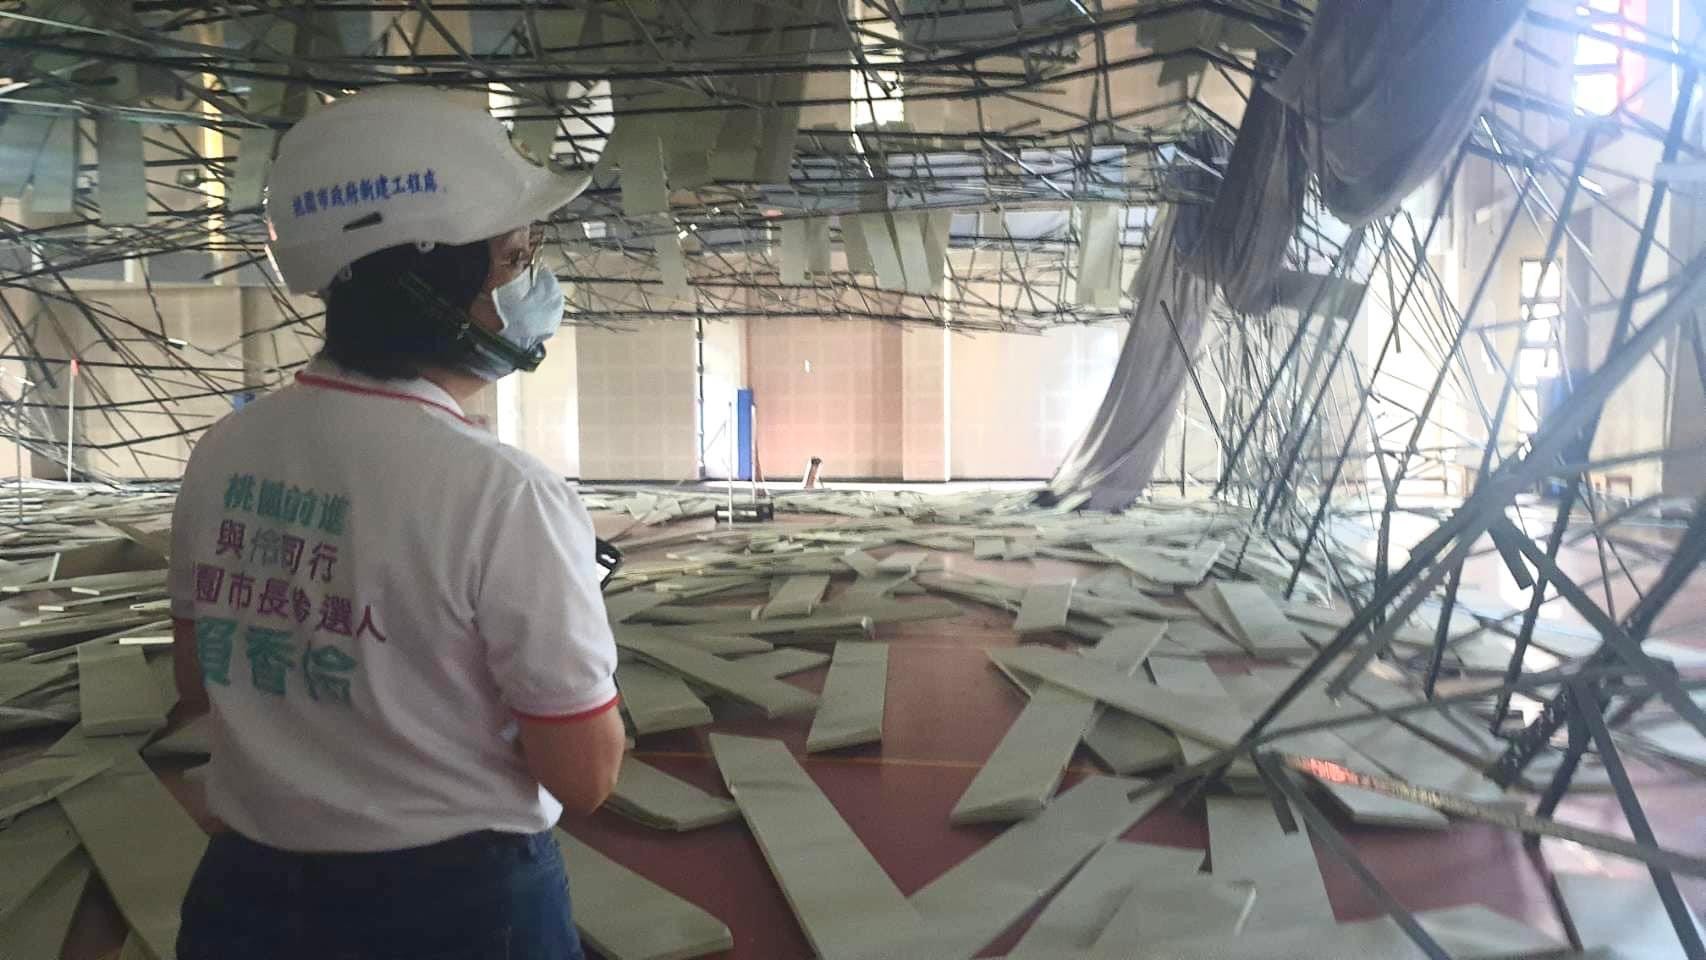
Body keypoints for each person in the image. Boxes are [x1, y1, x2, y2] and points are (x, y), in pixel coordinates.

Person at [167, 85, 624, 960]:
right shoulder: (505, 494)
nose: (534, 283)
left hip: (247, 899)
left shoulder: (223, 451)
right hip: (457, 907)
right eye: (514, 258)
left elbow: (199, 677)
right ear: (433, 284)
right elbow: (587, 774)